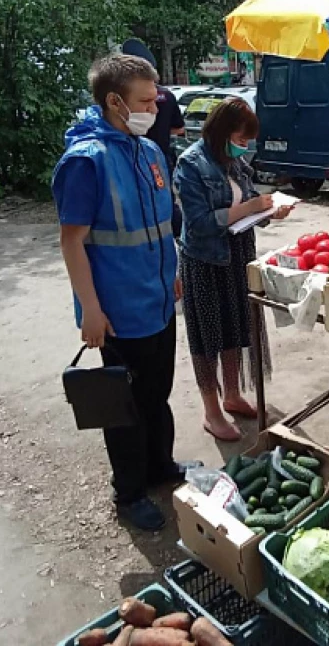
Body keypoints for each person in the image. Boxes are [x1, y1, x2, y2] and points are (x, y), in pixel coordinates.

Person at [52, 54, 185, 531]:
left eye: (157, 98)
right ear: (114, 102)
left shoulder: (148, 153)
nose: (156, 107)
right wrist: (90, 308)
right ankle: (129, 494)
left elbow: (159, 227)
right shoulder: (86, 162)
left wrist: (171, 272)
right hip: (117, 311)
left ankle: (161, 468)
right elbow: (72, 241)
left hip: (158, 302)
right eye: (146, 100)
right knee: (125, 407)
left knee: (158, 394)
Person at [175, 98, 291, 441]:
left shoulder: (235, 163)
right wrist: (252, 207)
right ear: (222, 131)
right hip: (206, 261)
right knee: (207, 337)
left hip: (239, 256)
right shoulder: (191, 164)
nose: (244, 147)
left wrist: (270, 211)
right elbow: (198, 224)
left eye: (246, 142)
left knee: (236, 329)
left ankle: (232, 394)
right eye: (240, 140)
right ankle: (211, 410)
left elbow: (250, 202)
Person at [121, 39, 185, 238]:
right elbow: (179, 129)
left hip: (139, 158)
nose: (152, 109)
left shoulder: (126, 102)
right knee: (164, 202)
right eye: (145, 103)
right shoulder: (167, 95)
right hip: (161, 159)